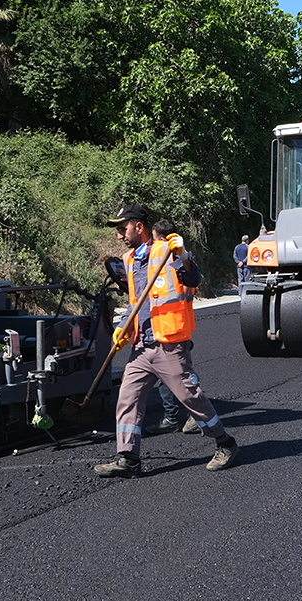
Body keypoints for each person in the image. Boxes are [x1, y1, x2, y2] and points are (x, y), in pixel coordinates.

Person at [95, 203, 239, 477]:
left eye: (122, 228)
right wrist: (125, 326)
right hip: (142, 346)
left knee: (190, 397)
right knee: (127, 399)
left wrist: (183, 255)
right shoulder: (128, 260)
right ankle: (128, 458)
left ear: (138, 226)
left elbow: (192, 277)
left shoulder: (167, 251)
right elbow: (138, 302)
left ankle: (226, 444)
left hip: (168, 344)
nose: (118, 235)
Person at [143, 219, 200, 436]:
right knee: (171, 374)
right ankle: (174, 416)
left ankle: (189, 415)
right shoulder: (182, 254)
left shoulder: (167, 255)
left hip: (170, 323)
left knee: (179, 374)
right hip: (176, 322)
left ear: (157, 236)